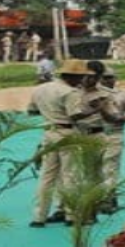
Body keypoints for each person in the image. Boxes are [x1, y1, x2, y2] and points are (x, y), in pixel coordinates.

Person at [27, 58, 85, 228]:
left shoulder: (39, 89)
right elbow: (75, 115)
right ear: (73, 76)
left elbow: (31, 111)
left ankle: (39, 216)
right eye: (80, 77)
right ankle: (71, 214)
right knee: (70, 175)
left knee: (47, 176)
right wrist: (96, 110)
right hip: (67, 132)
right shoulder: (69, 92)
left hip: (48, 132)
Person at [99, 68, 125, 211]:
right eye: (104, 77)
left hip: (114, 134)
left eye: (110, 77)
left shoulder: (124, 95)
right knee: (95, 169)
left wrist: (120, 118)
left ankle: (109, 199)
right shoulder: (92, 94)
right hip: (93, 134)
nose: (108, 80)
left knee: (110, 168)